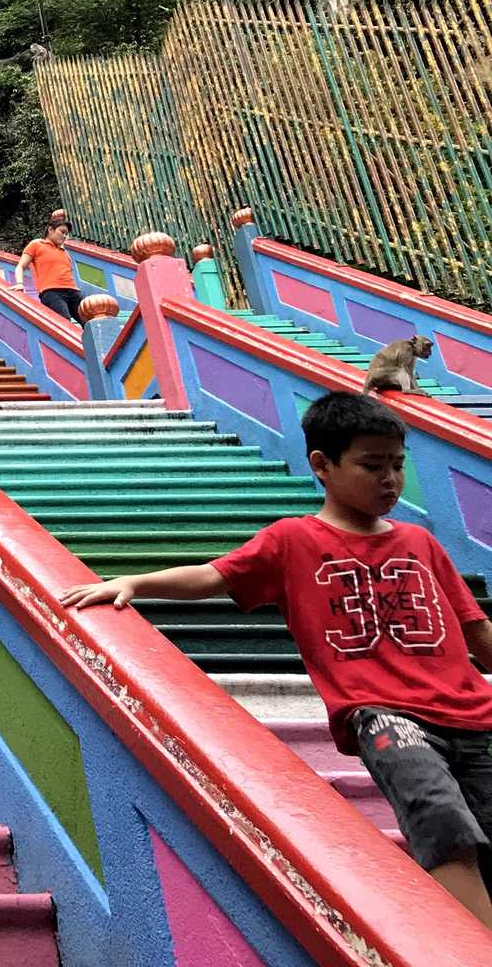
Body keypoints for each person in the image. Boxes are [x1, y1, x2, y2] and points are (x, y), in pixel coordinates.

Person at [63, 393, 492, 929]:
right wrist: (133, 581)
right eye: (371, 465)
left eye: (398, 465)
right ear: (321, 465)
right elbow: (214, 576)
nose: (390, 480)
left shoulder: (420, 541)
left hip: (475, 714)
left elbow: (475, 628)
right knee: (440, 818)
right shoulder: (294, 539)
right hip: (382, 713)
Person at [16, 214, 82, 323]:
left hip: (73, 291)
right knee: (64, 323)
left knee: (91, 322)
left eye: (66, 234)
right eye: (62, 232)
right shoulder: (36, 244)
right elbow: (21, 266)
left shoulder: (64, 252)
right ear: (51, 229)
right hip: (52, 292)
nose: (65, 236)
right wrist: (19, 283)